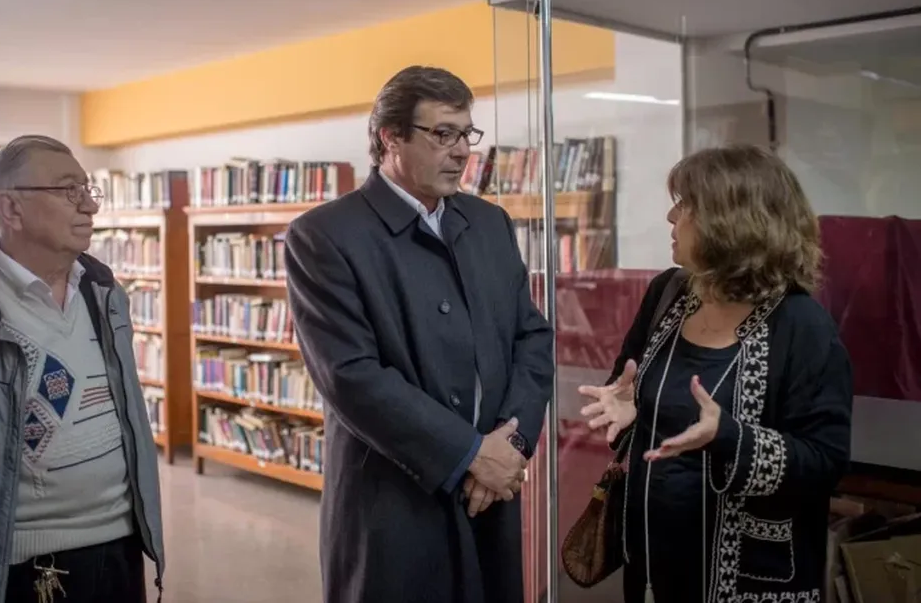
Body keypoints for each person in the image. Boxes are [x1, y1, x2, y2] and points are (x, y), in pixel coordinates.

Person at [284, 65, 555, 603]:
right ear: (391, 138)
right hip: (394, 501)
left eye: (467, 135)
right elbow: (351, 378)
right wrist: (471, 455)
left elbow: (532, 338)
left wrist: (512, 445)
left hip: (492, 492)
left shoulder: (489, 224)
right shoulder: (323, 237)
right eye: (443, 134)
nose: (462, 152)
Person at [579, 144, 853, 603]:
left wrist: (729, 436)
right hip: (652, 570)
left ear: (731, 222)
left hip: (750, 580)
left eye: (685, 205)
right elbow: (629, 387)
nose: (670, 217)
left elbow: (825, 462)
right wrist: (628, 409)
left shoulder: (802, 325)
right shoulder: (666, 294)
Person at [0, 135, 165, 603]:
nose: (89, 206)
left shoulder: (104, 292)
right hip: (17, 563)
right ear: (10, 209)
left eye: (89, 190)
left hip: (121, 546)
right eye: (68, 190)